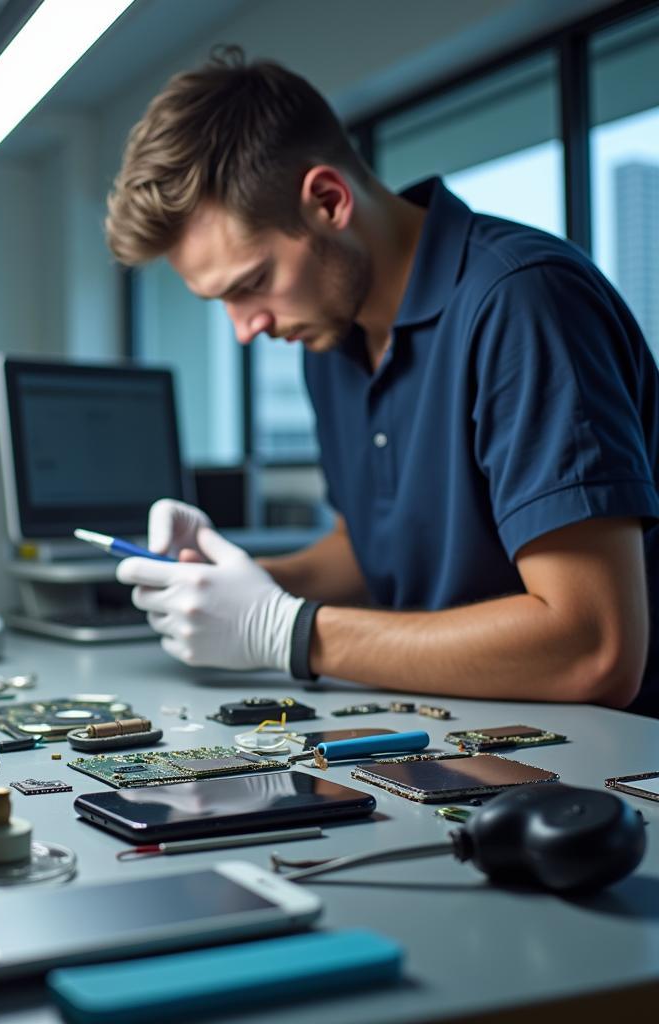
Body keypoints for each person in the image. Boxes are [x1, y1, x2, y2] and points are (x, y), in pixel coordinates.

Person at [104, 47, 659, 717]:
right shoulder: (331, 337)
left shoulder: (522, 302)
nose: (245, 330)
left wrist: (285, 630)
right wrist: (227, 587)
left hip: (610, 770)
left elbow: (594, 646)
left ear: (329, 202)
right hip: (455, 728)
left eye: (251, 285)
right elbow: (370, 549)